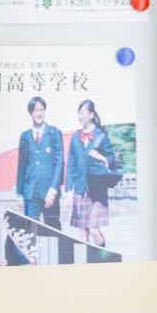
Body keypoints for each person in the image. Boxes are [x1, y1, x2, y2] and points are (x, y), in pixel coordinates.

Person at [66, 99, 114, 247]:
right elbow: (70, 166)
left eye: (83, 113)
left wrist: (100, 157)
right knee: (83, 231)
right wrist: (68, 191)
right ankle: (86, 260)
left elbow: (111, 159)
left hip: (97, 188)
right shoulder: (75, 137)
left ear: (91, 115)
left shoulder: (101, 136)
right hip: (80, 188)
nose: (80, 116)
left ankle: (103, 254)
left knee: (93, 229)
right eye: (79, 113)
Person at [15, 96, 63, 229]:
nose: (39, 113)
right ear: (31, 113)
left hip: (49, 192)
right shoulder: (25, 136)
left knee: (54, 230)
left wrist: (53, 189)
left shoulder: (54, 133)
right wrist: (19, 193)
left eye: (41, 110)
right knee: (30, 230)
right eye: (36, 110)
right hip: (30, 192)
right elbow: (22, 166)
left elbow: (59, 163)